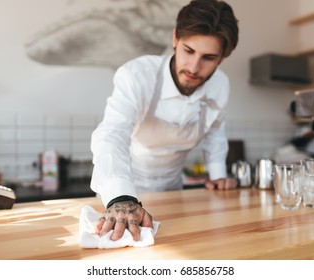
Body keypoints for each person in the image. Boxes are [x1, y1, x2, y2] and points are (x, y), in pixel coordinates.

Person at [90, 0, 239, 241]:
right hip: (126, 190)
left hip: (174, 192)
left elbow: (215, 132)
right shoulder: (137, 75)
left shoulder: (220, 85)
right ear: (175, 39)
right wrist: (120, 197)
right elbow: (112, 132)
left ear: (222, 58)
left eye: (208, 57)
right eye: (188, 51)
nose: (193, 67)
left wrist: (218, 174)